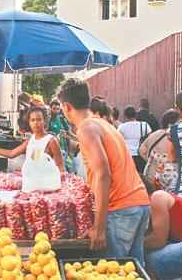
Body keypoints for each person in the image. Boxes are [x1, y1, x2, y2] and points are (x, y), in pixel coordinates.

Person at [57, 79, 150, 265]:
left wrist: (98, 228)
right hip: (139, 204)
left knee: (111, 271)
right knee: (131, 271)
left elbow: (103, 173)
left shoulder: (86, 128)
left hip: (120, 210)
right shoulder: (102, 124)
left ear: (67, 106)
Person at [0, 107, 65, 173]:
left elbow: (61, 168)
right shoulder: (30, 140)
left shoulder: (51, 141)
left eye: (39, 119)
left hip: (45, 184)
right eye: (32, 120)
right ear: (29, 122)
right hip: (30, 183)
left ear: (44, 121)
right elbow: (11, 154)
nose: (36, 123)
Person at [139, 109, 180, 193]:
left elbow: (141, 150)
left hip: (151, 174)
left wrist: (153, 160)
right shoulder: (174, 136)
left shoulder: (154, 134)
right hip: (168, 177)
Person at [118, 106, 152, 174]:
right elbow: (150, 137)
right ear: (135, 114)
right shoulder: (145, 125)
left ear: (125, 116)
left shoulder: (121, 127)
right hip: (141, 155)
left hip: (127, 156)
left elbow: (118, 140)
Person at [48, 99, 73, 172]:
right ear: (51, 108)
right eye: (54, 109)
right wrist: (51, 133)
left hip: (62, 147)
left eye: (57, 109)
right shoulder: (47, 120)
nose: (55, 111)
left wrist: (77, 138)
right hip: (50, 149)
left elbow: (69, 133)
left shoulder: (61, 119)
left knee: (62, 168)